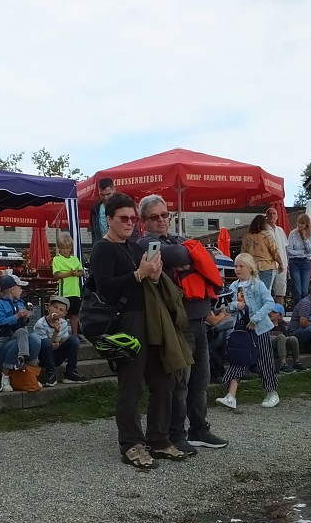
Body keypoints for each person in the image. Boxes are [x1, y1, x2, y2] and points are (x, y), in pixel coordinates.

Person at [90, 191, 184, 469]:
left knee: (163, 380)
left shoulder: (134, 247)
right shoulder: (103, 248)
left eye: (132, 218)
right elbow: (104, 287)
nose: (129, 222)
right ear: (109, 220)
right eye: (123, 218)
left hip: (150, 318)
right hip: (126, 322)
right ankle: (131, 444)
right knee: (131, 386)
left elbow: (145, 284)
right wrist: (138, 275)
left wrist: (154, 278)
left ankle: (158, 439)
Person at [138, 194, 228, 455]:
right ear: (144, 220)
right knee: (180, 383)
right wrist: (192, 255)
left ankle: (199, 428)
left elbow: (206, 258)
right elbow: (177, 255)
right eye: (155, 217)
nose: (162, 220)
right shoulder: (145, 242)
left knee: (201, 380)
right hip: (177, 324)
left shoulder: (176, 239)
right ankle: (175, 434)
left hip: (200, 319)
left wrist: (191, 255)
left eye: (165, 215)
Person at [216, 253, 279, 410]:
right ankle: (231, 396)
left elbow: (269, 303)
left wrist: (255, 319)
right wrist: (235, 304)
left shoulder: (258, 285)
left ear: (249, 268)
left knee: (265, 360)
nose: (237, 269)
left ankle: (272, 392)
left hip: (260, 329)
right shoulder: (233, 287)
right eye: (236, 266)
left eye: (241, 266)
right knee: (238, 358)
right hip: (241, 328)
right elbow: (227, 307)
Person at [0, 273, 42, 391]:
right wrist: (17, 316)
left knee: (35, 338)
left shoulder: (20, 303)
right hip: (5, 338)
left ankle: (30, 373)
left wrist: (25, 318)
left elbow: (21, 324)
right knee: (19, 338)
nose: (22, 290)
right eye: (20, 287)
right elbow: (0, 322)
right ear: (12, 290)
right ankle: (5, 376)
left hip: (18, 335)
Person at [35, 295, 85, 385]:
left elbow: (63, 342)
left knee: (74, 339)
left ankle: (70, 372)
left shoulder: (63, 322)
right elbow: (46, 346)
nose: (57, 311)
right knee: (46, 342)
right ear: (49, 308)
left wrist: (60, 343)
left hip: (57, 356)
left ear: (64, 314)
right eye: (55, 307)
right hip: (43, 357)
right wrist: (55, 333)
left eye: (61, 310)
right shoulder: (40, 324)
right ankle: (51, 374)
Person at [51, 232, 84, 336]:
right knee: (62, 314)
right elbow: (56, 275)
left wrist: (75, 274)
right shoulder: (57, 259)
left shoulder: (75, 259)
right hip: (64, 293)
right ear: (59, 249)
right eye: (63, 248)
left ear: (71, 248)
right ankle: (61, 334)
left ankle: (75, 335)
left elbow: (82, 272)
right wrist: (69, 273)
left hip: (75, 292)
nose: (65, 250)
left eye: (67, 248)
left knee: (75, 315)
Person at [241, 214, 282, 292]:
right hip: (266, 266)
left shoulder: (246, 237)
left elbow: (243, 254)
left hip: (251, 267)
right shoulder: (267, 235)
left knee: (252, 292)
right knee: (264, 292)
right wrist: (281, 263)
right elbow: (274, 251)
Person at [286, 213, 311, 305]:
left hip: (306, 263)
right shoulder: (292, 233)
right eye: (298, 222)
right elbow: (289, 250)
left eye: (302, 223)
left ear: (307, 224)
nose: (299, 225)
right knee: (297, 289)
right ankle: (298, 310)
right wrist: (303, 252)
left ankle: (305, 309)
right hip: (294, 262)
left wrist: (305, 239)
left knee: (305, 290)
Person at [267, 304, 303, 372]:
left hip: (282, 349)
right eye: (270, 311)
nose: (270, 313)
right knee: (281, 337)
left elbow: (286, 338)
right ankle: (283, 364)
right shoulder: (266, 325)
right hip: (270, 349)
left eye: (274, 312)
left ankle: (296, 362)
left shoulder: (283, 327)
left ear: (280, 316)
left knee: (293, 338)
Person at [265, 206, 289, 303]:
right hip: (268, 265)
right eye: (270, 213)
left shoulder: (280, 230)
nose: (272, 216)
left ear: (277, 216)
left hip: (282, 264)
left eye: (274, 213)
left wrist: (286, 264)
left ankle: (279, 315)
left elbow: (285, 248)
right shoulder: (263, 230)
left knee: (280, 291)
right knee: (266, 291)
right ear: (266, 216)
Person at [88, 177, 116, 244]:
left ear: (114, 190)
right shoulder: (95, 209)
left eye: (108, 194)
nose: (106, 198)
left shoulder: (122, 205)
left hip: (120, 247)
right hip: (102, 246)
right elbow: (94, 231)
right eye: (102, 195)